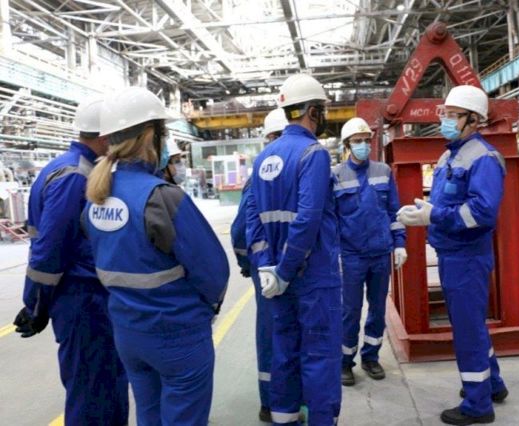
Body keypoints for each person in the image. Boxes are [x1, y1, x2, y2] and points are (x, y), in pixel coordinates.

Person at [83, 86, 229, 426]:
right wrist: (207, 309)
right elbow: (213, 271)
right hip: (176, 333)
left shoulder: (97, 196)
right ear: (150, 135)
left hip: (128, 332)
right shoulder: (162, 197)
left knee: (149, 414)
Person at [396, 85, 508, 425]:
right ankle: (492, 385)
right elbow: (448, 201)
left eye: (452, 115)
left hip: (467, 256)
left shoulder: (483, 158)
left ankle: (477, 405)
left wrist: (435, 216)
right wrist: (426, 210)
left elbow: (482, 213)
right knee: (472, 325)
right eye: (443, 114)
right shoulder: (450, 156)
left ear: (473, 120)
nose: (444, 120)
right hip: (452, 253)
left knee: (468, 331)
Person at [13, 98, 129, 425]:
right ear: (105, 136)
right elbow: (49, 251)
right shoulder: (76, 176)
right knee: (93, 392)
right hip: (81, 300)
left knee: (104, 385)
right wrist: (35, 304)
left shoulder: (74, 167)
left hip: (88, 299)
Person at [245, 74, 341, 426]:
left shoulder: (263, 158)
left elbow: (252, 220)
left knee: (284, 354)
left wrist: (266, 266)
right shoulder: (313, 154)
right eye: (322, 109)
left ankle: (284, 421)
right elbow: (307, 219)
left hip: (275, 279)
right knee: (319, 356)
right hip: (313, 277)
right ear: (312, 111)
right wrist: (286, 270)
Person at [333, 117, 407, 386]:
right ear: (347, 145)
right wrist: (333, 254)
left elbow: (394, 211)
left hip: (380, 253)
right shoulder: (335, 175)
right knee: (350, 311)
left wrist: (399, 243)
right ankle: (344, 362)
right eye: (357, 141)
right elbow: (330, 220)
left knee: (377, 308)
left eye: (366, 140)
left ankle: (371, 357)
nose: (363, 145)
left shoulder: (383, 171)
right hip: (351, 255)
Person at [230, 107, 288, 422]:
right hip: (300, 266)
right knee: (297, 332)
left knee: (269, 330)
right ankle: (295, 399)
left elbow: (241, 229)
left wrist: (246, 261)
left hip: (262, 265)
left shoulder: (257, 177)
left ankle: (269, 402)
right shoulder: (305, 168)